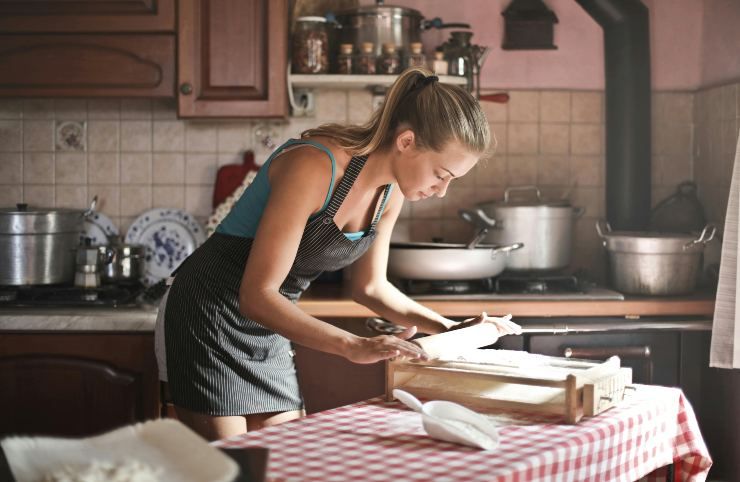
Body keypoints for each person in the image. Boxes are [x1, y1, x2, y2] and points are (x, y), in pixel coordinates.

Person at [154, 67, 521, 441]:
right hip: (209, 311)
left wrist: (454, 330)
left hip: (271, 320)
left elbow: (372, 288)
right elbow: (256, 294)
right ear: (407, 142)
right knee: (232, 466)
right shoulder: (315, 165)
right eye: (440, 174)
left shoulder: (390, 193)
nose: (441, 190)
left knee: (283, 459)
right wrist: (352, 345)